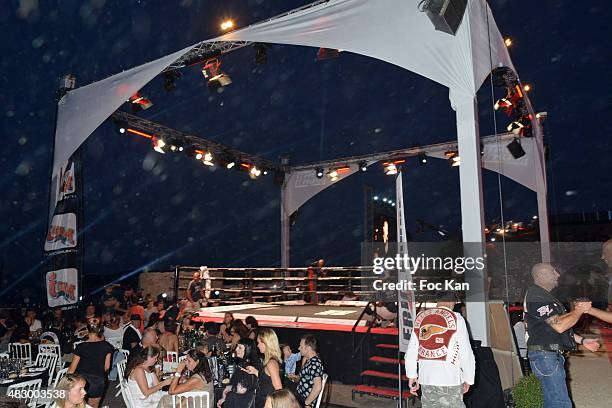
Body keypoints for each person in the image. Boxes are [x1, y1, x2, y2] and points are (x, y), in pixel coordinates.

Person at [524, 263, 600, 408]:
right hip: (545, 356)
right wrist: (579, 310)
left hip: (546, 355)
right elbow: (559, 326)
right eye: (554, 272)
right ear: (541, 275)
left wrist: (582, 340)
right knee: (559, 403)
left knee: (552, 402)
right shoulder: (537, 296)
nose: (558, 275)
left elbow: (555, 327)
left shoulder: (541, 295)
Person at [404, 292, 474, 408]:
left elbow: (412, 349)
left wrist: (412, 375)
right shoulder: (457, 318)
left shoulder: (421, 317)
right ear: (452, 301)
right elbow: (465, 352)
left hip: (426, 378)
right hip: (450, 379)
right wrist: (468, 378)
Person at [67, 318, 114, 408]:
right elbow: (107, 368)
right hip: (98, 381)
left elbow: (71, 370)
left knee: (80, 405)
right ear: (99, 330)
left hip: (81, 381)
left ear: (87, 330)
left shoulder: (81, 347)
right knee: (94, 406)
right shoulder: (107, 346)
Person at [242, 328, 283, 408]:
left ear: (266, 343)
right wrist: (256, 372)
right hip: (263, 400)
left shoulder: (271, 363)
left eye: (259, 343)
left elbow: (278, 390)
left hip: (266, 402)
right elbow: (268, 379)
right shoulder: (271, 361)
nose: (257, 345)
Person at [218, 338, 261, 408]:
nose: (236, 349)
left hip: (241, 402)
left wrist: (230, 389)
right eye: (237, 346)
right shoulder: (244, 363)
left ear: (247, 350)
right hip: (237, 400)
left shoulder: (249, 366)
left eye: (240, 348)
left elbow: (242, 389)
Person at [295, 334, 325, 408]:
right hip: (299, 395)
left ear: (308, 348)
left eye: (301, 347)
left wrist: (307, 403)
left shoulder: (315, 363)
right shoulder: (310, 360)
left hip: (303, 400)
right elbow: (305, 378)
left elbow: (318, 387)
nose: (299, 348)